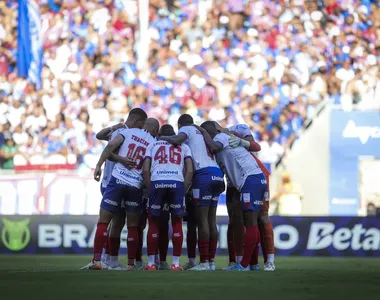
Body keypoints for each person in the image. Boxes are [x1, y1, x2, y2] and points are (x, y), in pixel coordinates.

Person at [81, 109, 157, 270]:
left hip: (117, 180)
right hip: (135, 185)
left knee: (104, 221)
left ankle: (97, 260)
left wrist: (99, 166)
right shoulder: (152, 142)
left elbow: (110, 145)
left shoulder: (126, 132)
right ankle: (130, 264)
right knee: (132, 226)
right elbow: (147, 167)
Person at [198, 121, 268, 271]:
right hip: (254, 180)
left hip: (251, 180)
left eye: (205, 134)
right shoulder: (223, 140)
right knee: (251, 223)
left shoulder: (221, 137)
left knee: (250, 223)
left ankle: (243, 265)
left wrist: (203, 132)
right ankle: (253, 264)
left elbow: (214, 146)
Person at [161, 114, 224, 271]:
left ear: (180, 124)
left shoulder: (187, 129)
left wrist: (161, 138)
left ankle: (202, 263)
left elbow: (176, 140)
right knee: (210, 220)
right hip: (216, 174)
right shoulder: (201, 133)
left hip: (202, 176)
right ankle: (210, 262)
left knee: (200, 220)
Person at [218, 123, 275, 271]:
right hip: (233, 182)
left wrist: (243, 142)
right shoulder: (213, 141)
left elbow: (255, 146)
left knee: (261, 218)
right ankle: (238, 261)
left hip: (253, 176)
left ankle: (269, 260)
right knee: (235, 221)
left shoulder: (239, 129)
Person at [143, 124, 194, 271]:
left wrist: (149, 185)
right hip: (176, 182)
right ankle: (176, 264)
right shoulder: (183, 146)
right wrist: (182, 189)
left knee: (153, 222)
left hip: (157, 181)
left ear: (159, 134)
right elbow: (189, 169)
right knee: (177, 221)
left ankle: (151, 263)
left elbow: (146, 167)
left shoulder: (153, 144)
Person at [96, 121, 129, 269]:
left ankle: (104, 259)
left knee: (109, 223)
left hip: (107, 182)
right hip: (116, 182)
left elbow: (100, 136)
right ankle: (109, 260)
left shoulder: (119, 132)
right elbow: (101, 138)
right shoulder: (127, 133)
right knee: (116, 223)